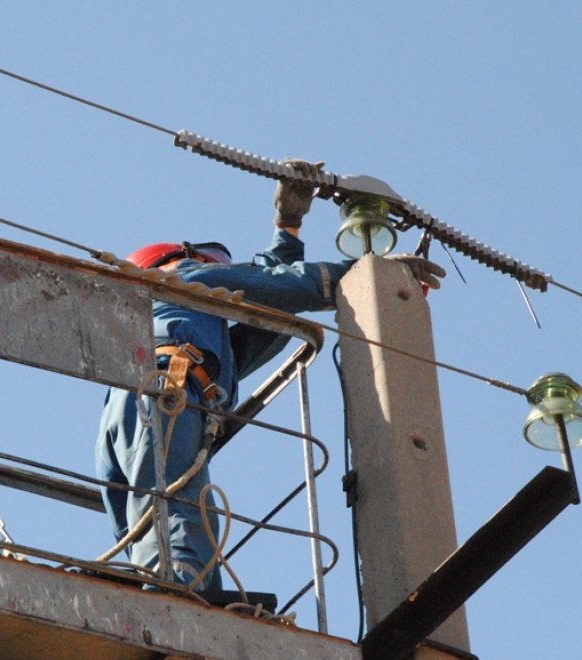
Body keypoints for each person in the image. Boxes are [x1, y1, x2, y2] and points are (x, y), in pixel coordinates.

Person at [94, 159, 445, 590]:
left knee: (152, 510)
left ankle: (168, 583)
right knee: (180, 504)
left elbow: (268, 311)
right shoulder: (181, 275)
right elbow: (269, 284)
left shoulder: (191, 337)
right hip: (168, 391)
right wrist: (370, 274)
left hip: (135, 411)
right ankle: (183, 593)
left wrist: (288, 225)